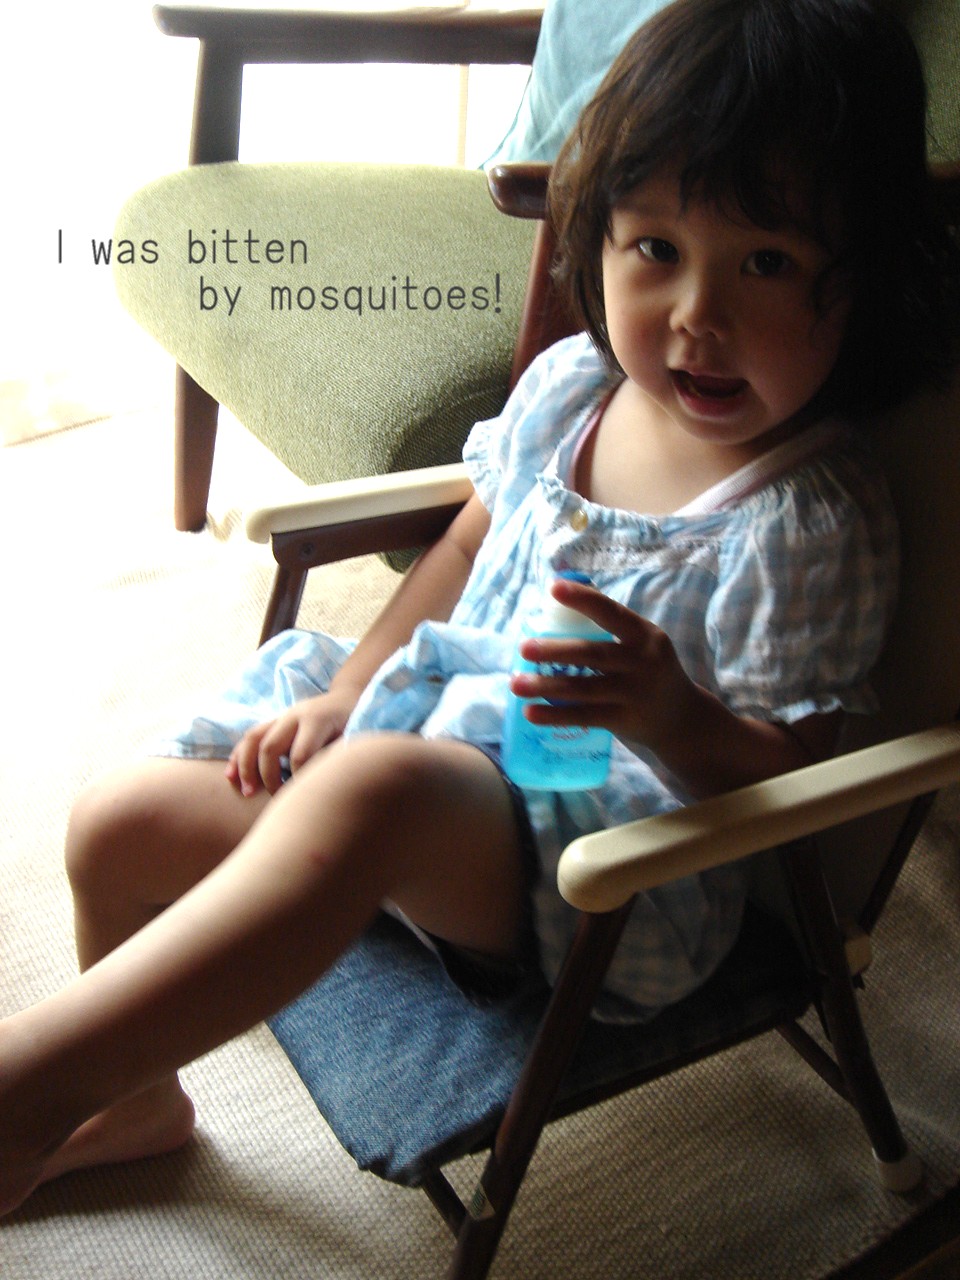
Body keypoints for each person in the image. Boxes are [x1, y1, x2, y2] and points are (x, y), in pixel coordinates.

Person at [2, 0, 957, 1218]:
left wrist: (671, 713)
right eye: (654, 247)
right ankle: (132, 1097)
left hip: (604, 862)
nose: (695, 315)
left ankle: (23, 1082)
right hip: (432, 742)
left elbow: (793, 783)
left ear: (863, 279)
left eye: (764, 261)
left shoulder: (806, 519)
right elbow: (462, 545)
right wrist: (350, 691)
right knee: (115, 823)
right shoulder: (573, 389)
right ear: (596, 235)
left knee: (376, 790)